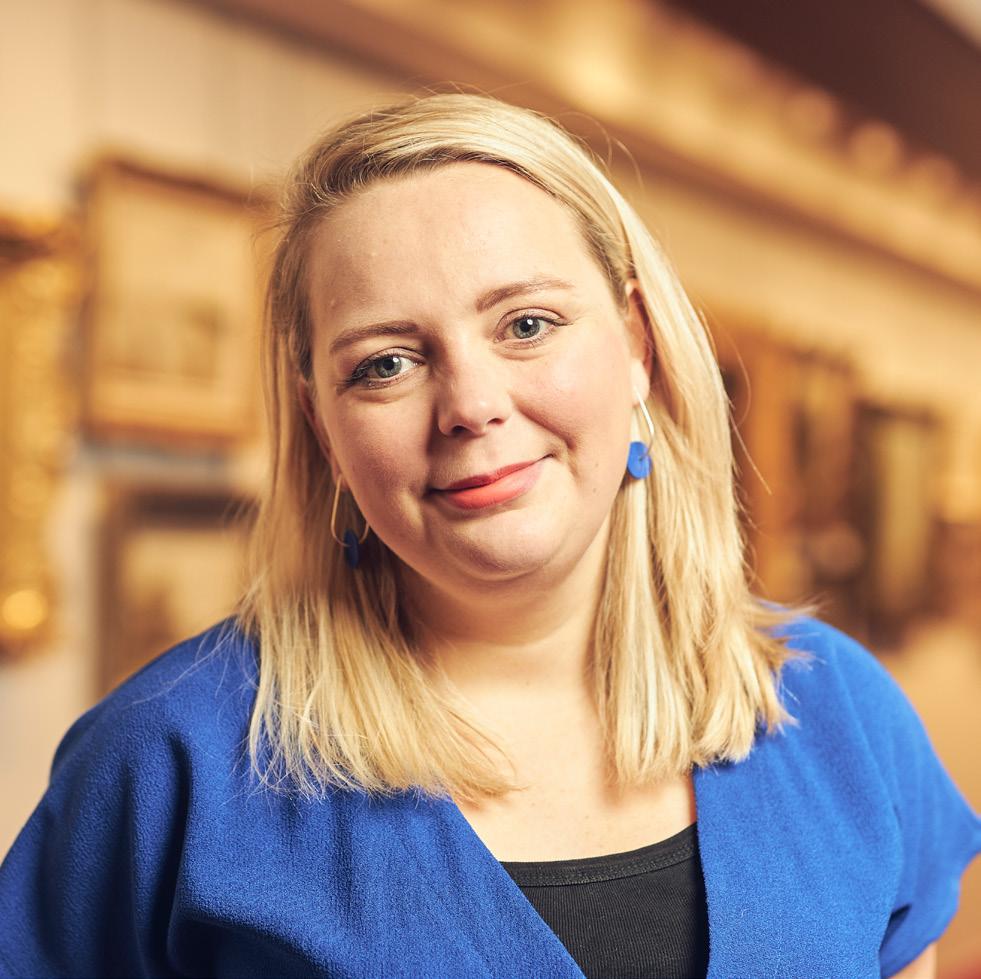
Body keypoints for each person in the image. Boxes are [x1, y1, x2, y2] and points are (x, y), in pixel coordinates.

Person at [0, 92, 978, 979]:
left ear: (637, 347)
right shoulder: (166, 764)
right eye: (386, 363)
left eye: (526, 325)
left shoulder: (838, 712)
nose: (470, 404)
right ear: (321, 425)